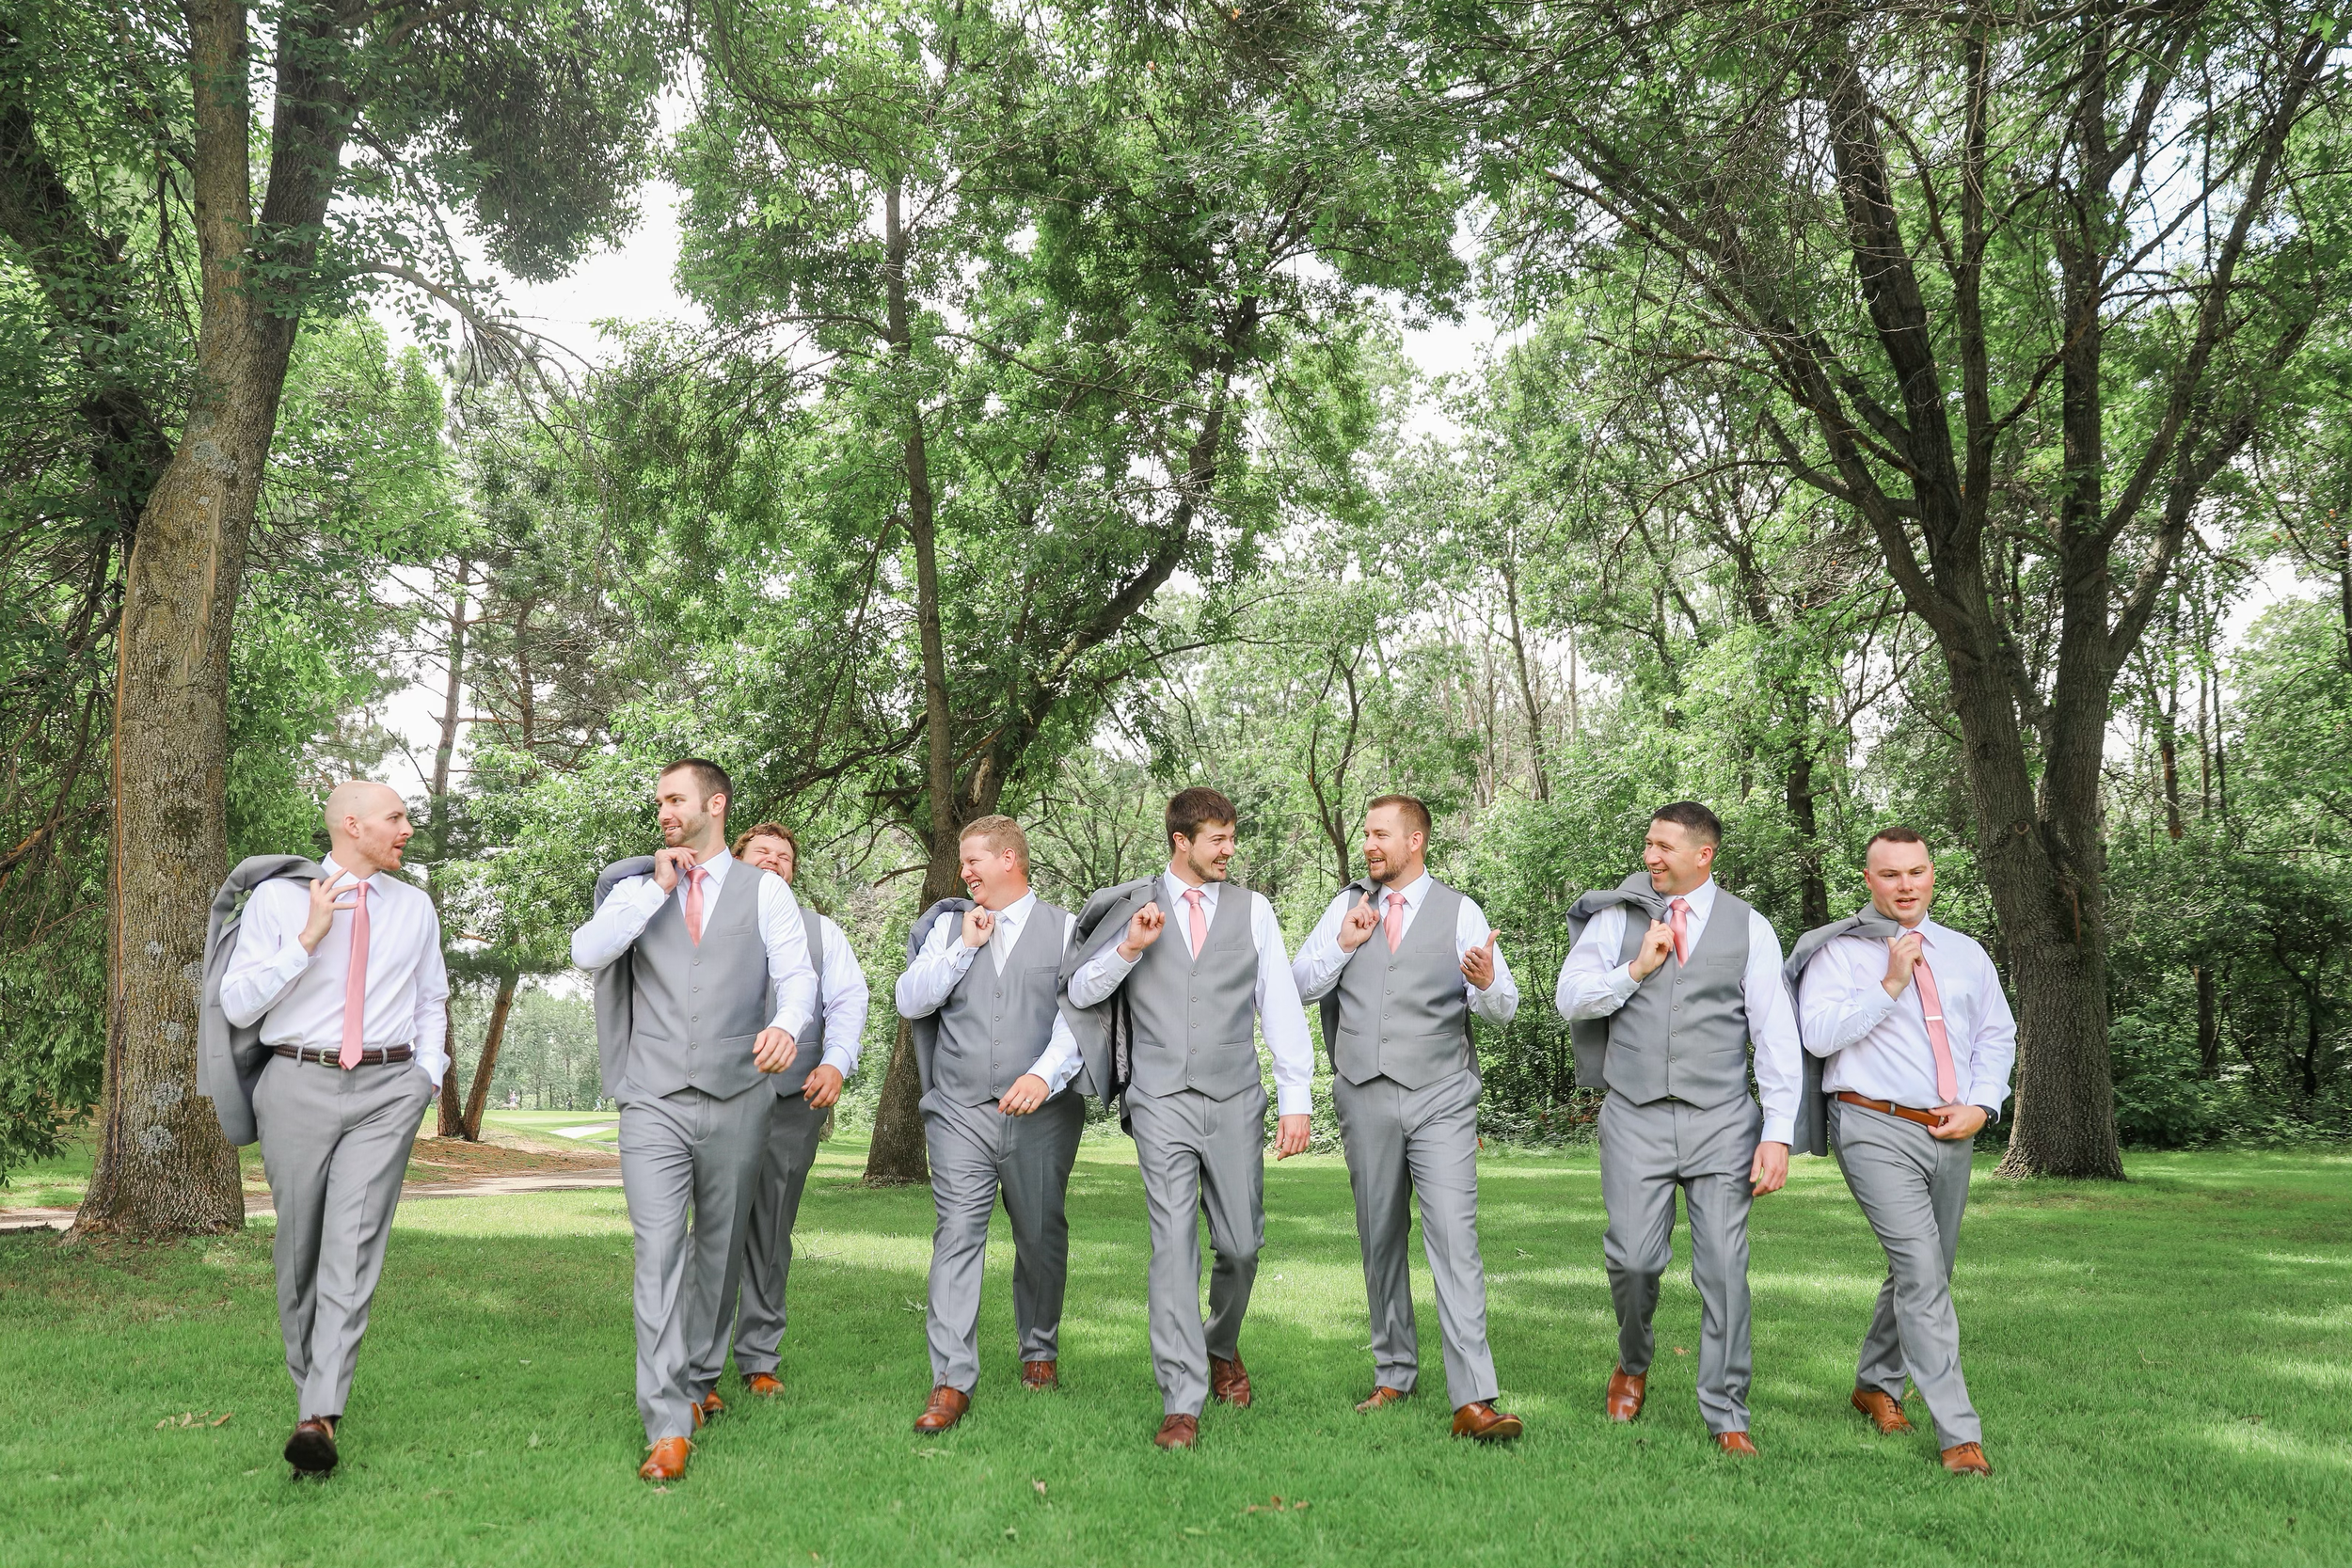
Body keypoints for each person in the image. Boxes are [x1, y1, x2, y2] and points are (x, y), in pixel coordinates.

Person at [571, 759, 816, 1482]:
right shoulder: (635, 889)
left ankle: (702, 1372)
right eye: (658, 802)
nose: (664, 813)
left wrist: (790, 1024)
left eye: (675, 800)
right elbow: (588, 951)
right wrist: (655, 888)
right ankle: (668, 1421)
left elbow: (797, 972)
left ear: (717, 803)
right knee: (657, 1254)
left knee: (719, 1248)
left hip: (740, 1094)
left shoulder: (765, 890)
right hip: (652, 1099)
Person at [1061, 787, 1314, 1450]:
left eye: (1232, 837)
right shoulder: (1132, 907)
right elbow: (1081, 989)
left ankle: (1220, 1343)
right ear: (1181, 840)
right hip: (1160, 1099)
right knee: (1173, 1244)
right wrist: (1129, 949)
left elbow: (1279, 1001)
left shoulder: (1254, 910)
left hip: (1234, 1097)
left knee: (1241, 1244)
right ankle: (1182, 1397)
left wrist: (1296, 1097)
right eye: (1218, 839)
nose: (1230, 849)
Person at [217, 781, 449, 1476]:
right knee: (300, 1250)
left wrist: (425, 1076)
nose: (408, 827)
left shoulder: (415, 907)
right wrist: (308, 939)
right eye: (396, 817)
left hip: (388, 1088)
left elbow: (431, 997)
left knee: (352, 1245)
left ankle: (319, 1413)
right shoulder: (279, 900)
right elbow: (236, 1003)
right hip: (296, 1083)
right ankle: (308, 1392)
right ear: (352, 825)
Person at [1556, 801, 1800, 1454]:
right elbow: (1569, 996)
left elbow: (1774, 1032)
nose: (1650, 857)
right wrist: (1636, 968)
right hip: (1634, 1114)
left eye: (1663, 846)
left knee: (1723, 1269)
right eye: (1647, 844)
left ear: (1704, 854)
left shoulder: (1751, 928)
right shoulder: (1618, 917)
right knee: (1634, 1262)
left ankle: (1727, 1411)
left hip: (1722, 1121)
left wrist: (1778, 1130)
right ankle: (1633, 1362)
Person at [1290, 795, 1523, 1441]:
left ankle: (1474, 1397)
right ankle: (1393, 1371)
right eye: (1366, 833)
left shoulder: (1459, 910)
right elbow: (1297, 984)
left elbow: (1504, 1007)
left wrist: (1482, 980)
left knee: (1454, 1237)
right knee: (1380, 1235)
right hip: (1364, 1093)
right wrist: (1342, 944)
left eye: (1380, 834)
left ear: (1415, 840)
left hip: (1442, 1094)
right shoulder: (1346, 906)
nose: (1369, 844)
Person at [1786, 828, 2014, 1477]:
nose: (1906, 884)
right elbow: (1819, 1034)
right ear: (1869, 880)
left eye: (1916, 871)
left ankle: (1874, 1384)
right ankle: (1958, 1434)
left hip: (1953, 1130)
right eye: (1890, 874)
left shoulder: (1967, 953)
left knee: (1927, 1269)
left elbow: (1997, 1034)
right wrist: (1889, 983)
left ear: (1933, 874)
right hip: (1873, 1124)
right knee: (1920, 1270)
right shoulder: (1839, 954)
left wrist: (1983, 1103)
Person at [896, 816, 1091, 1433]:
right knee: (957, 1233)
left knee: (1040, 1234)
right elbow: (911, 999)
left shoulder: (1065, 929)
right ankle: (951, 1379)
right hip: (959, 1112)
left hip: (1044, 1116)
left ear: (1010, 858)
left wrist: (1044, 1074)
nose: (965, 872)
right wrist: (963, 948)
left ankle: (1038, 1350)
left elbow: (1082, 1013)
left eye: (974, 860)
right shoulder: (948, 928)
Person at [710, 822, 870, 1402]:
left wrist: (836, 1063)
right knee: (714, 1230)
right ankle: (697, 1366)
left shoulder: (821, 933)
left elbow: (850, 1000)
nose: (774, 863)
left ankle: (758, 1359)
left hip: (791, 1102)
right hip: (718, 1099)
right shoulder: (708, 920)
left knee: (771, 1233)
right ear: (738, 859)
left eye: (785, 858)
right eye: (763, 854)